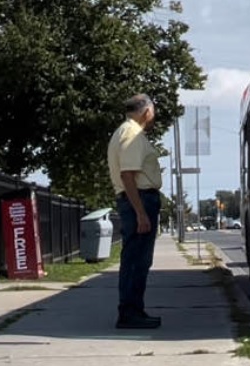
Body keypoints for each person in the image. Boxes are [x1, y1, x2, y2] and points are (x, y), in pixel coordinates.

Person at [107, 93, 163, 329]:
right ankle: (130, 312)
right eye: (153, 111)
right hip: (139, 200)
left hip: (134, 200)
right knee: (137, 260)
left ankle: (133, 310)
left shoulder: (122, 131)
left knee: (134, 259)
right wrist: (141, 212)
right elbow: (128, 174)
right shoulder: (132, 134)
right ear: (147, 112)